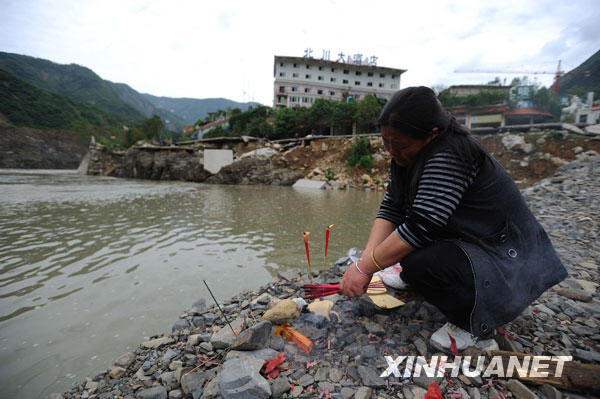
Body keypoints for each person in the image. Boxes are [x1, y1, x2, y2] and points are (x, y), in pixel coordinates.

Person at [339, 86, 567, 352]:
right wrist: (367, 260)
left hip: (509, 260)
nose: (391, 151)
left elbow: (421, 226)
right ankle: (425, 280)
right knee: (405, 259)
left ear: (431, 134)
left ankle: (474, 324)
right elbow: (392, 207)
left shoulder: (451, 154)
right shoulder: (405, 156)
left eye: (399, 145)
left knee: (418, 261)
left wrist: (365, 268)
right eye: (385, 142)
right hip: (469, 239)